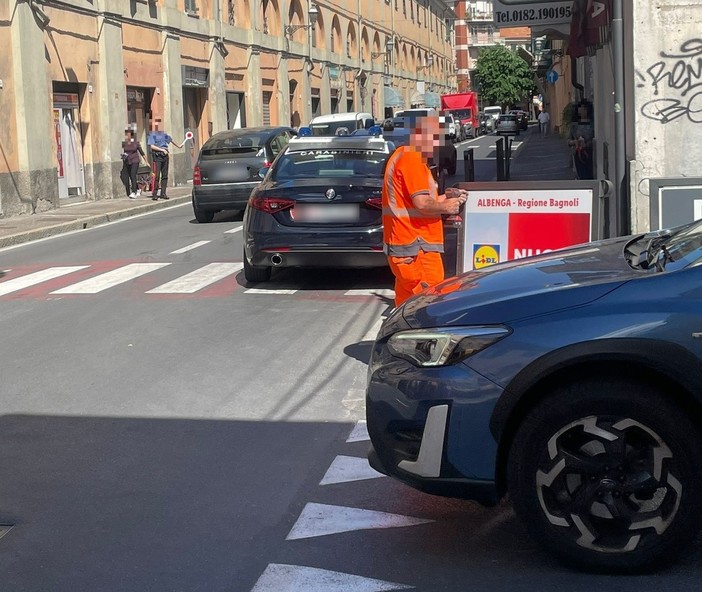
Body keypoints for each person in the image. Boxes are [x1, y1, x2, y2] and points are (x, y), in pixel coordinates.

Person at [382, 113, 467, 307]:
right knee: (428, 303)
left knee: (407, 304)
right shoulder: (413, 158)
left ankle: (402, 335)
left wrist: (445, 197)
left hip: (405, 246)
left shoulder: (402, 155)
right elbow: (421, 204)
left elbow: (418, 202)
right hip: (417, 246)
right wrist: (446, 206)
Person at [147, 122, 183, 200]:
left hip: (165, 155)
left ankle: (163, 193)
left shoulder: (163, 134)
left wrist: (179, 146)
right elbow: (152, 146)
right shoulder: (152, 135)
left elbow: (170, 140)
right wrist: (162, 150)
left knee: (165, 175)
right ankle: (155, 194)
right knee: (157, 175)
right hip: (158, 156)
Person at [121, 127, 146, 199]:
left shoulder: (136, 143)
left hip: (135, 161)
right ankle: (138, 189)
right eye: (126, 134)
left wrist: (146, 161)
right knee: (131, 176)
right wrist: (123, 156)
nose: (127, 136)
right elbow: (125, 152)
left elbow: (141, 152)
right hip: (127, 162)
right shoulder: (124, 143)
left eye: (129, 134)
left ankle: (134, 192)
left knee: (133, 175)